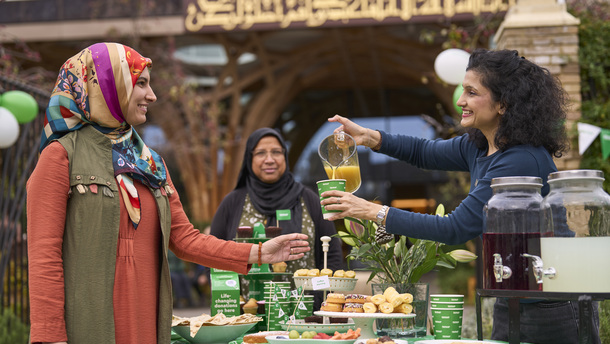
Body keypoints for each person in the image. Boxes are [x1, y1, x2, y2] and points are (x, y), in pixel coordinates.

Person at [26, 42, 310, 344]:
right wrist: (50, 336)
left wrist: (258, 252)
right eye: (142, 84)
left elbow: (186, 239)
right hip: (87, 327)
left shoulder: (151, 162)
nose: (153, 96)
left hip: (147, 324)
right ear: (110, 85)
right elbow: (44, 257)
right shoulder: (60, 157)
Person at [320, 49, 600, 343]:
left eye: (471, 92)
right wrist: (371, 138)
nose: (460, 100)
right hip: (514, 296)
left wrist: (371, 211)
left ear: (503, 103)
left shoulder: (520, 160)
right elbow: (423, 152)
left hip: (553, 303)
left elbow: (455, 228)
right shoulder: (480, 146)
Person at [209, 127, 344, 309]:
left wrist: (318, 302)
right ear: (250, 159)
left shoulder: (308, 199)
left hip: (304, 313)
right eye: (261, 153)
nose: (270, 159)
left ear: (285, 157)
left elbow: (332, 255)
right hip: (246, 317)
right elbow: (213, 255)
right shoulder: (233, 202)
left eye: (276, 152)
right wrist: (229, 303)